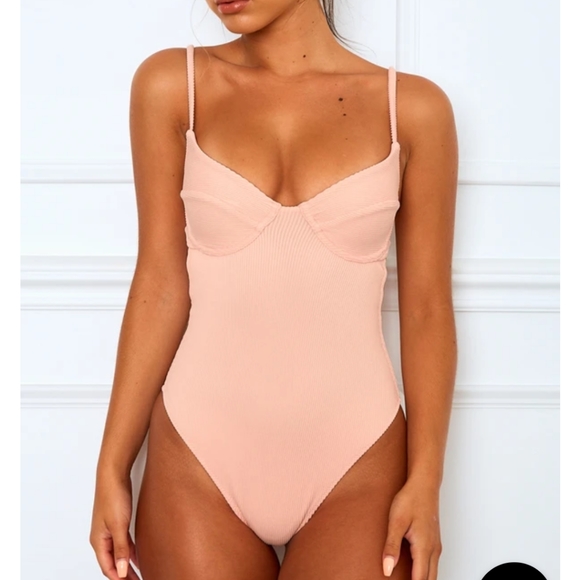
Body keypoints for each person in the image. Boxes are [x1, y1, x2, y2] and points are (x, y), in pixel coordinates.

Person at [89, 0, 458, 578]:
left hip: (358, 463)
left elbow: (427, 309)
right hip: (198, 458)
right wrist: (111, 467)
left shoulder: (411, 109)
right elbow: (160, 283)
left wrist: (427, 480)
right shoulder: (172, 86)